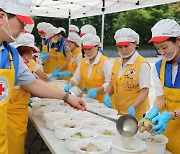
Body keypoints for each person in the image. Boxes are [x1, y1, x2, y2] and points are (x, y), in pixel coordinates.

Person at [0, 1, 85, 153]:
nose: (23, 28)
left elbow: (33, 84)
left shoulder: (12, 55)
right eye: (21, 22)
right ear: (2, 17)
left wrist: (67, 97)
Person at [144, 19, 180, 154]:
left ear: (178, 40)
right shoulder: (159, 67)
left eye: (164, 47)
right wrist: (152, 113)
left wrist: (170, 115)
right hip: (169, 131)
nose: (162, 52)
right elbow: (161, 98)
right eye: (157, 48)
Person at [103, 28, 151, 120]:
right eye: (120, 47)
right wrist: (107, 94)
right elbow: (113, 83)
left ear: (135, 44)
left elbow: (144, 91)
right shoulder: (117, 62)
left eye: (126, 46)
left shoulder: (142, 64)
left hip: (134, 113)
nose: (123, 50)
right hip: (117, 110)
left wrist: (133, 106)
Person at [64, 33, 111, 103]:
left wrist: (97, 90)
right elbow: (76, 77)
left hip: (103, 100)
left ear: (97, 47)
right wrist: (71, 83)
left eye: (89, 49)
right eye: (85, 49)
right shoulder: (83, 61)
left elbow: (109, 83)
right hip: (90, 100)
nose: (87, 52)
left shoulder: (104, 62)